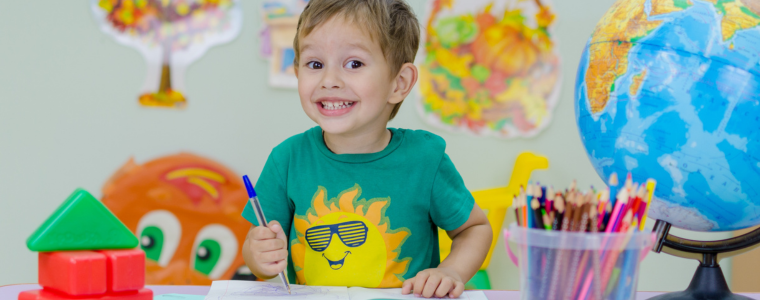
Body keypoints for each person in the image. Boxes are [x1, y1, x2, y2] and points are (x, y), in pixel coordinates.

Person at [241, 0, 492, 298]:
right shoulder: (287, 159)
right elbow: (260, 259)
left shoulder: (426, 160)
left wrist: (451, 271)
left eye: (354, 64)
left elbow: (474, 228)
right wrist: (259, 256)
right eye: (315, 64)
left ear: (398, 83)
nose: (329, 80)